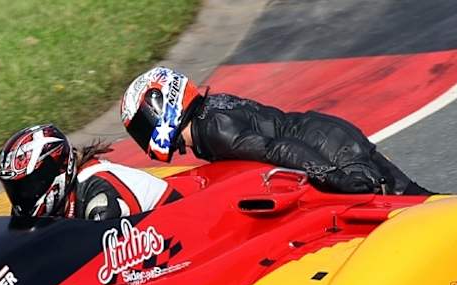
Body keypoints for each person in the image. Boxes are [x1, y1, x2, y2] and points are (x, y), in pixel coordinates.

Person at [120, 66, 432, 195]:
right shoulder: (208, 114)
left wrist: (331, 175)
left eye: (142, 125)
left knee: (402, 207)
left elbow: (275, 149)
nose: (142, 135)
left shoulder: (213, 129)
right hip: (325, 135)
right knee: (417, 199)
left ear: (161, 106)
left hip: (328, 149)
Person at [0, 124, 180, 220]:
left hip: (178, 224)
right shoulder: (59, 201)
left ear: (60, 170)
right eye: (15, 189)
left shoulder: (98, 193)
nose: (22, 197)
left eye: (29, 186)